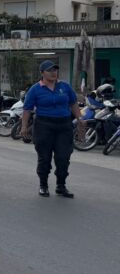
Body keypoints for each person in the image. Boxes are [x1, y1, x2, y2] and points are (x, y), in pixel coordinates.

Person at [20, 60, 83, 198]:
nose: (53, 72)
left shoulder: (65, 86)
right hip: (44, 125)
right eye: (50, 70)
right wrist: (24, 127)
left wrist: (79, 118)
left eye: (55, 70)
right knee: (44, 157)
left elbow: (73, 103)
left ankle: (61, 186)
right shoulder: (36, 89)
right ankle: (43, 185)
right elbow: (27, 109)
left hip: (64, 125)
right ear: (42, 73)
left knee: (63, 157)